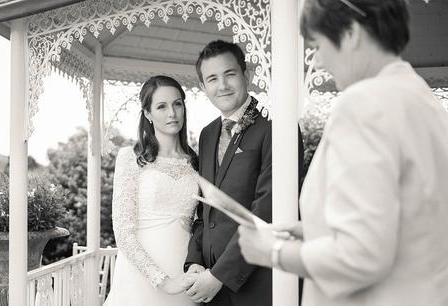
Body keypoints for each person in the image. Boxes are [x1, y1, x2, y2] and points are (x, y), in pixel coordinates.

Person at [238, 1, 448, 306]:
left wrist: (271, 252)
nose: (319, 62)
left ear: (350, 33)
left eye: (319, 45)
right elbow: (411, 218)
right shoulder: (425, 101)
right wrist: (318, 230)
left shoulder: (364, 103)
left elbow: (361, 255)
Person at [183, 39, 304, 305]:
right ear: (203, 87)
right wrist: (194, 262)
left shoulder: (276, 126)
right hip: (209, 289)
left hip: (258, 286)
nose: (222, 85)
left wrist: (219, 276)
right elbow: (205, 211)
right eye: (212, 79)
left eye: (230, 74)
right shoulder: (206, 135)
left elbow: (268, 212)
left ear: (246, 75)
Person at [104, 75, 199, 306]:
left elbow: (205, 222)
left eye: (177, 104)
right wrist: (164, 281)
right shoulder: (130, 158)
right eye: (161, 106)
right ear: (147, 114)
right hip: (142, 278)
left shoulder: (196, 162)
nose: (172, 113)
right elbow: (123, 232)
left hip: (187, 275)